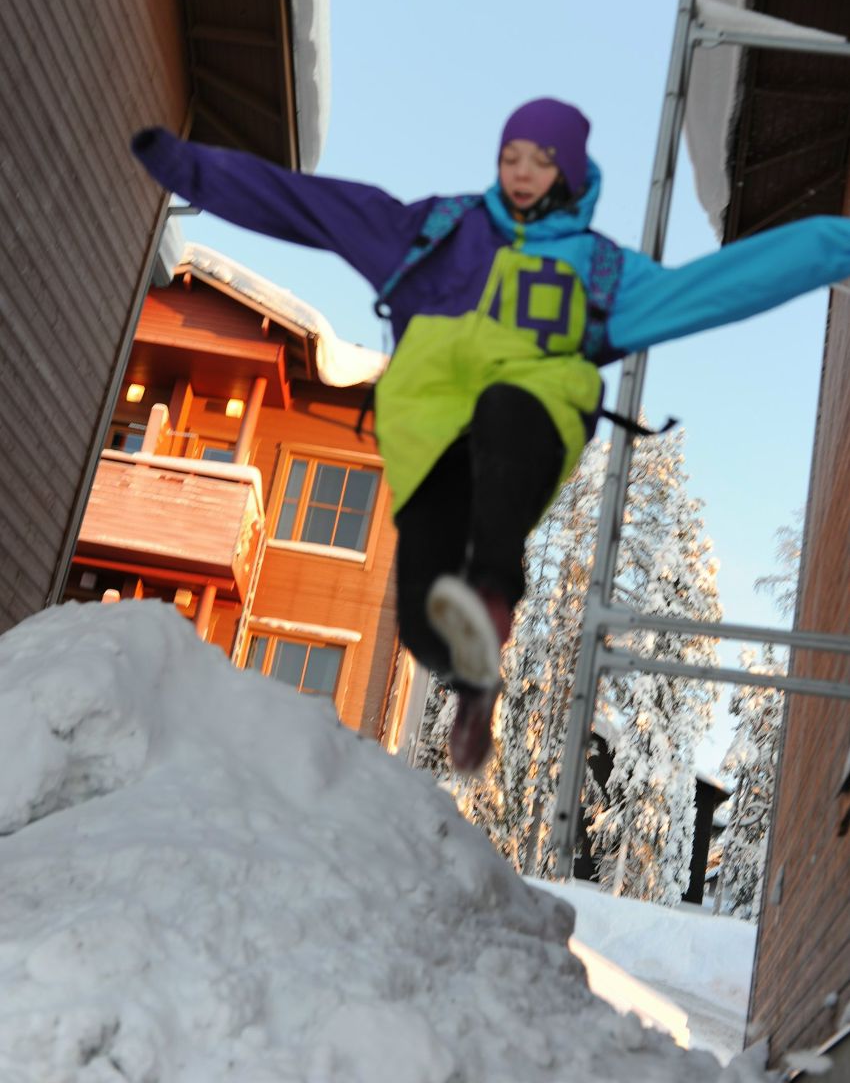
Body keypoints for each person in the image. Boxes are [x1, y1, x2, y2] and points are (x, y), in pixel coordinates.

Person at [132, 98, 850, 772]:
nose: (521, 172)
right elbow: (312, 206)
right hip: (432, 438)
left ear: (566, 169)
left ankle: (493, 590)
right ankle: (471, 674)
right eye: (511, 156)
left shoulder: (600, 272)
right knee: (417, 618)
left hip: (533, 419)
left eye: (539, 158)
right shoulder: (435, 232)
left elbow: (720, 283)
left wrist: (833, 244)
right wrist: (186, 167)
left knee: (509, 404)